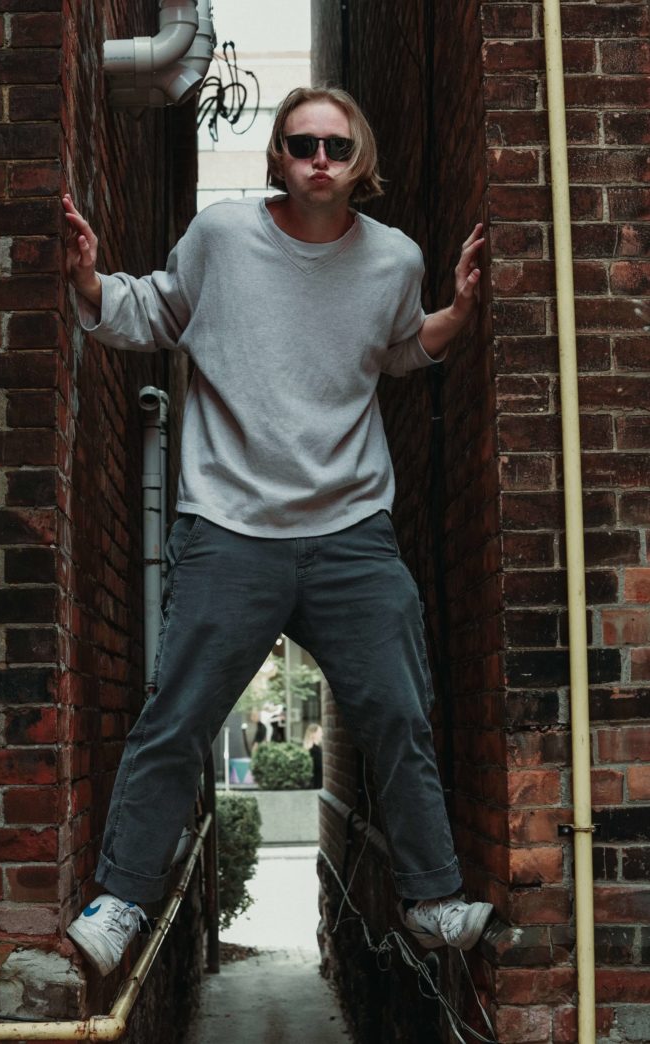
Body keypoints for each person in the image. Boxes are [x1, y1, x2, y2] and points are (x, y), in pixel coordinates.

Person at [63, 85, 493, 977]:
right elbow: (160, 311)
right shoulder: (222, 237)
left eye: (336, 146)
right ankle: (121, 901)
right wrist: (91, 282)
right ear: (279, 157)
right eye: (302, 145)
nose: (319, 161)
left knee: (399, 711)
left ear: (360, 158)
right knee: (179, 716)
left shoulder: (395, 260)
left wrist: (452, 316)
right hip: (229, 524)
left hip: (352, 528)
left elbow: (395, 350)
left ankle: (431, 900)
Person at [303, 723, 323, 789]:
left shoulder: (309, 748)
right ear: (313, 734)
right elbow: (320, 767)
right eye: (320, 732)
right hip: (317, 784)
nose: (322, 734)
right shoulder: (314, 750)